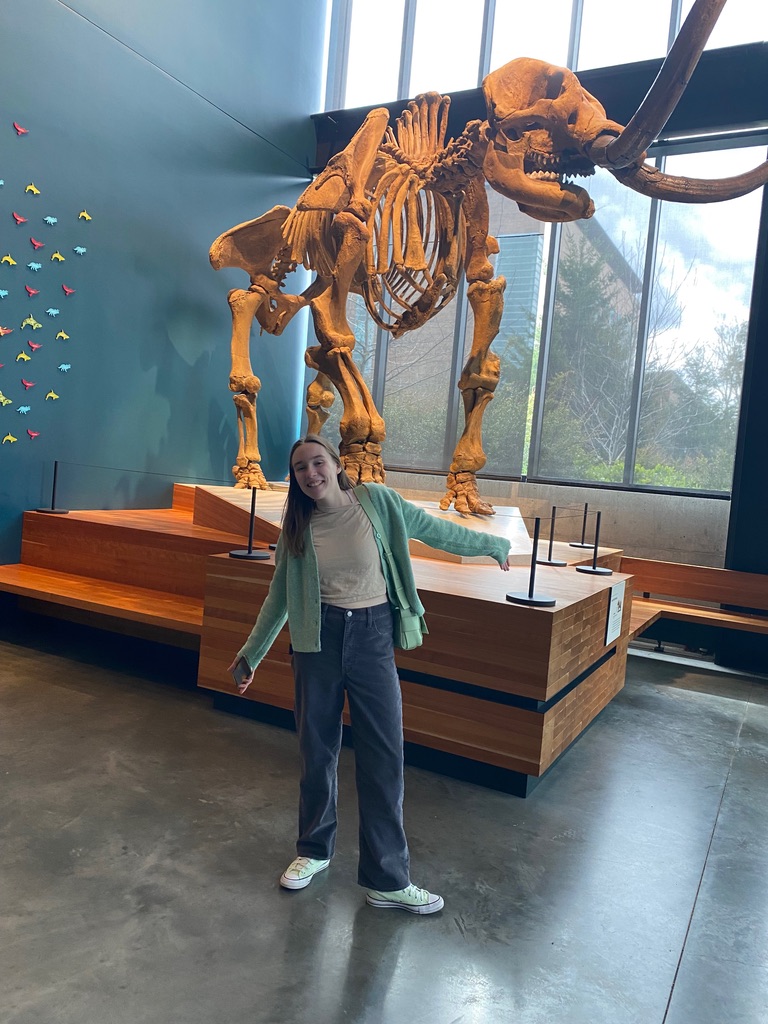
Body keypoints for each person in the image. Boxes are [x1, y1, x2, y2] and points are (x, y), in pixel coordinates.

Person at [230, 433, 511, 915]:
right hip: (316, 642)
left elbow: (434, 530)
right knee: (316, 750)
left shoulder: (377, 502)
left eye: (318, 462)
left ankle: (388, 879)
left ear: (337, 464)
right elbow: (279, 596)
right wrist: (250, 655)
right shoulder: (297, 527)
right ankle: (313, 850)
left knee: (384, 755)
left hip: (373, 636)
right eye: (300, 468)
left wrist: (493, 544)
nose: (310, 473)